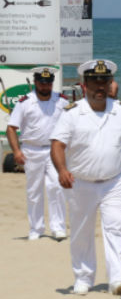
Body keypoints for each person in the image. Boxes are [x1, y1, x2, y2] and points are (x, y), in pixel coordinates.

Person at [50, 59, 121, 295]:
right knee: (81, 232)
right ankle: (83, 278)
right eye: (94, 82)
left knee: (116, 227)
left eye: (104, 81)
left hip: (114, 181)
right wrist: (62, 170)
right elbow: (57, 145)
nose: (100, 86)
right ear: (84, 85)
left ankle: (117, 279)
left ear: (110, 83)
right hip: (80, 183)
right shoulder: (72, 113)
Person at [6, 66, 69, 241]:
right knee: (34, 191)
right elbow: (11, 128)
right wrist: (16, 151)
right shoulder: (25, 102)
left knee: (56, 187)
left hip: (54, 150)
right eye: (42, 83)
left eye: (48, 83)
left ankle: (58, 227)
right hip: (31, 150)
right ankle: (36, 228)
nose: (45, 86)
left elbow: (71, 124)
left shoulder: (61, 101)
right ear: (35, 82)